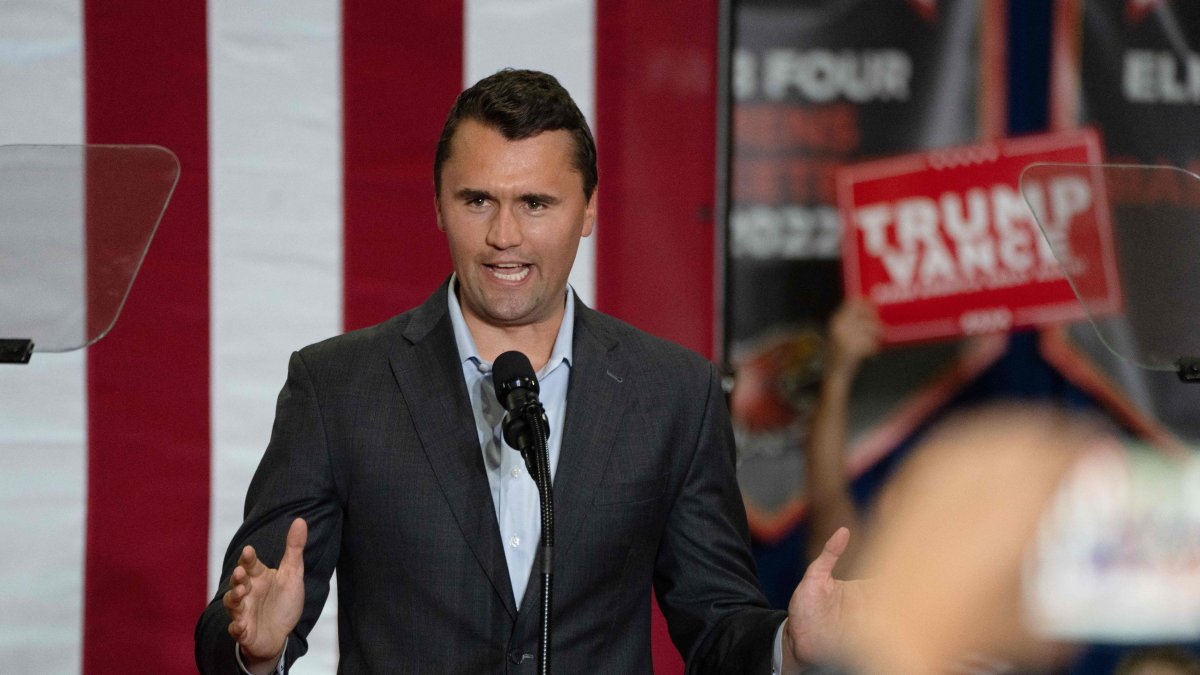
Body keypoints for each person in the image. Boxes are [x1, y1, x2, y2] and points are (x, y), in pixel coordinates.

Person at [194, 68, 864, 674]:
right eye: (478, 200)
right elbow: (240, 613)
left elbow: (717, 620)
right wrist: (256, 643)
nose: (504, 236)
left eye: (536, 203)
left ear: (589, 210)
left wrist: (787, 647)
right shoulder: (338, 385)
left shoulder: (674, 393)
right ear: (438, 205)